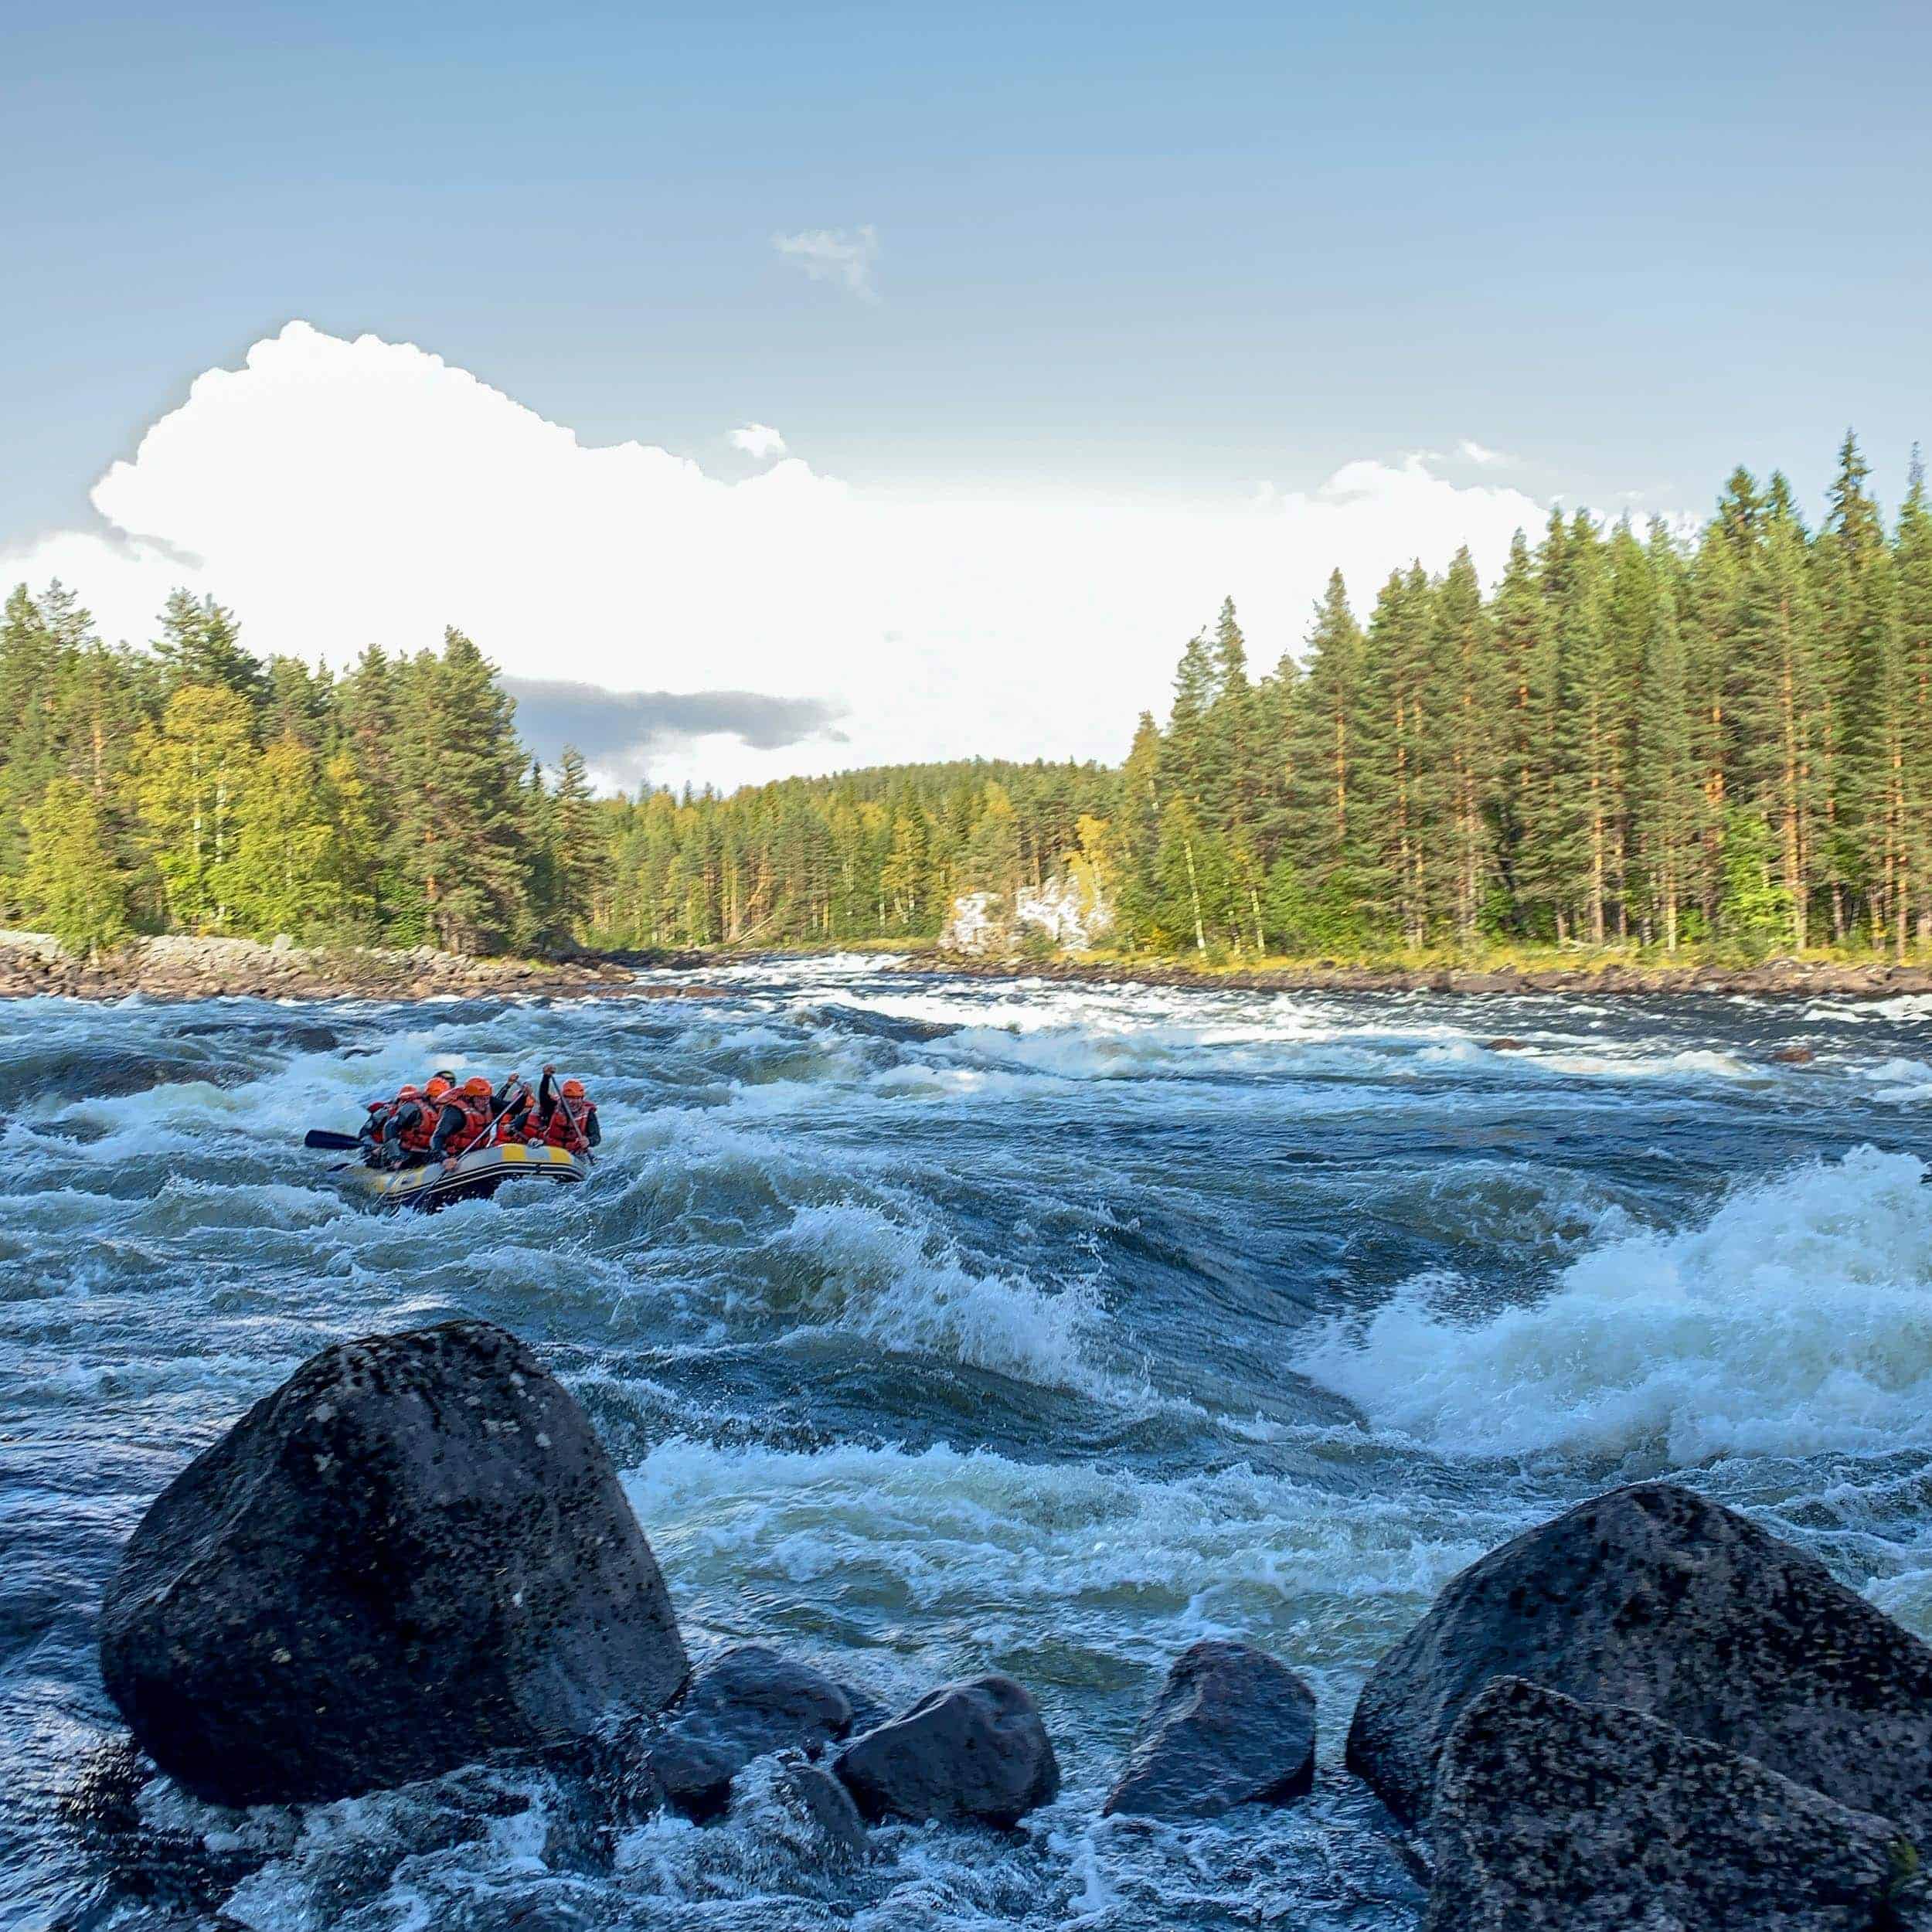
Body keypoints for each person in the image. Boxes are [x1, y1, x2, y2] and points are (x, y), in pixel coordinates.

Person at [430, 1073, 530, 1166]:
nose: (486, 1102)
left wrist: (523, 1095)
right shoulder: (454, 1112)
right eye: (481, 1099)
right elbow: (438, 1137)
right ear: (470, 1098)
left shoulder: (488, 1102)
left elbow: (514, 1109)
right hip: (455, 1156)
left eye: (487, 1098)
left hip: (477, 1153)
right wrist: (444, 1159)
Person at [380, 1074, 454, 1168]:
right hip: (404, 1152)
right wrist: (395, 1157)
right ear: (428, 1096)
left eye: (444, 1098)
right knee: (431, 1158)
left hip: (424, 1151)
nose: (440, 1101)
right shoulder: (412, 1108)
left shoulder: (447, 1111)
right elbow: (390, 1127)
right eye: (436, 1097)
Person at [533, 1063, 600, 1155]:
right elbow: (543, 1097)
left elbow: (596, 1137)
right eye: (570, 1098)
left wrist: (589, 1141)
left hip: (574, 1152)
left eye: (577, 1098)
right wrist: (546, 1077)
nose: (574, 1102)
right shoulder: (554, 1106)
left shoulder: (589, 1114)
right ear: (563, 1097)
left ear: (582, 1098)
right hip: (551, 1149)